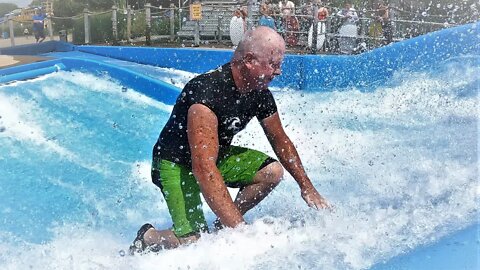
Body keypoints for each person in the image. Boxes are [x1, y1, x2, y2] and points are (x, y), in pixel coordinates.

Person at [129, 26, 331, 254]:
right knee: (194, 241)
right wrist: (243, 234)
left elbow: (280, 140)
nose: (278, 72)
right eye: (273, 64)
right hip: (174, 163)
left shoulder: (259, 91)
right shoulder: (206, 95)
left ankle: (223, 226)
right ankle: (149, 236)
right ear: (249, 60)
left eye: (279, 65)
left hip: (212, 157)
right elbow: (203, 168)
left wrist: (307, 187)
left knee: (271, 172)